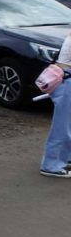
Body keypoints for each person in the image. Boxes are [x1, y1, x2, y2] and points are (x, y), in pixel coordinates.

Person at [39, 33, 71, 178]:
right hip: (67, 81)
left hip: (65, 79)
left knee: (67, 124)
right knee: (62, 126)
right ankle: (51, 165)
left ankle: (65, 158)